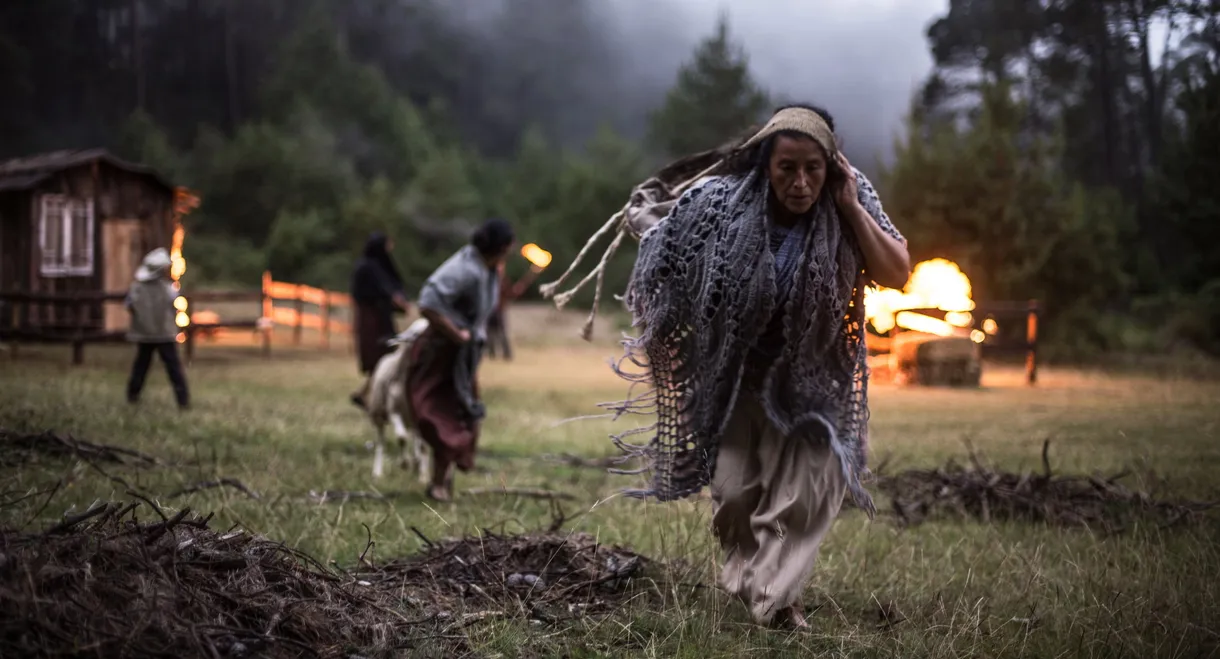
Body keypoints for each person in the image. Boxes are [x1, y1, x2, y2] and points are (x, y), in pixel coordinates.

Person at [610, 104, 910, 628]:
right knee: (733, 498)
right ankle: (753, 580)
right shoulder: (721, 203)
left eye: (812, 168)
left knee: (802, 497)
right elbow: (671, 241)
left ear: (831, 165)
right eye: (786, 168)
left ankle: (777, 603)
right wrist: (648, 222)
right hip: (738, 379)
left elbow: (897, 270)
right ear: (765, 164)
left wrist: (851, 207)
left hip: (817, 383)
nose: (799, 182)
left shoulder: (851, 194)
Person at [409, 218, 516, 501]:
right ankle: (438, 484)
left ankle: (442, 480)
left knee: (464, 414)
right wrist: (456, 333)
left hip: (463, 356)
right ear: (502, 247)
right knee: (444, 414)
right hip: (442, 352)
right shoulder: (465, 269)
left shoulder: (488, 268)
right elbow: (428, 302)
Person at [350, 232, 410, 409]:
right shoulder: (367, 268)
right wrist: (395, 300)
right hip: (372, 319)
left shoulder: (378, 266)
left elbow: (392, 288)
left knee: (386, 356)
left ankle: (366, 395)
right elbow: (381, 291)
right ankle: (369, 396)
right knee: (380, 356)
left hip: (381, 318)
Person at [125, 247, 190, 410]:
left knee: (141, 366)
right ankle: (183, 400)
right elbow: (176, 306)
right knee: (173, 368)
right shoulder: (168, 288)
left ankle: (132, 396)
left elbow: (129, 305)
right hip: (164, 334)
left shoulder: (136, 288)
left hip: (144, 334)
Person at [484, 259, 543, 361]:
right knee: (490, 334)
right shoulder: (489, 280)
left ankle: (506, 354)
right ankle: (491, 354)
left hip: (499, 310)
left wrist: (527, 279)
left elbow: (511, 293)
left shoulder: (503, 281)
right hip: (489, 310)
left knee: (501, 333)